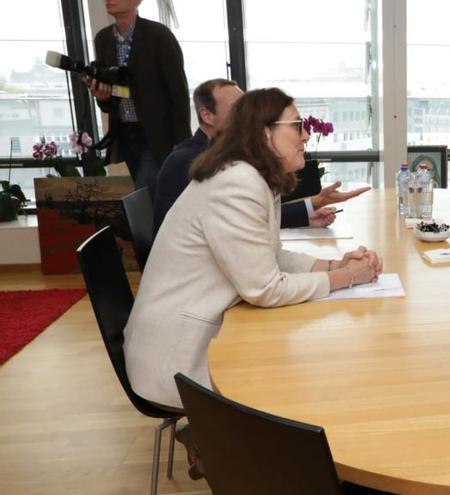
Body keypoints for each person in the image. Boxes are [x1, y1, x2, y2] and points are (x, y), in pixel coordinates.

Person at [123, 88, 383, 413]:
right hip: (177, 359)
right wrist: (347, 277)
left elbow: (270, 256)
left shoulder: (251, 176)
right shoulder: (238, 184)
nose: (306, 135)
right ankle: (221, 449)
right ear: (265, 134)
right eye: (297, 125)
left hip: (191, 339)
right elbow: (265, 288)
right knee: (310, 385)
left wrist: (333, 266)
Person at [152, 79, 366, 236]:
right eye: (238, 108)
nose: (248, 114)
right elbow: (243, 219)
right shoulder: (194, 160)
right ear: (206, 115)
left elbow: (250, 216)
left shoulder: (231, 160)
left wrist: (314, 204)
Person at [88, 0, 191, 198]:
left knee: (144, 193)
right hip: (125, 134)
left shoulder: (158, 35)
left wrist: (182, 143)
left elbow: (177, 91)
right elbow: (110, 99)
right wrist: (102, 96)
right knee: (150, 195)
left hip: (157, 134)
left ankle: (150, 230)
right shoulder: (103, 39)